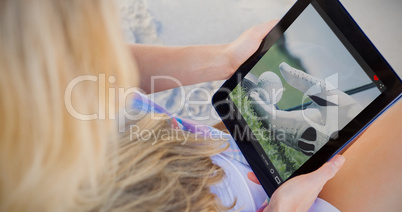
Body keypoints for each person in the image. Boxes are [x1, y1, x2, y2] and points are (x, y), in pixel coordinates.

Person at [0, 0, 400, 211]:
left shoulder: (30, 75)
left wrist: (224, 59)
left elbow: (89, 69)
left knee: (333, 120)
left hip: (203, 152)